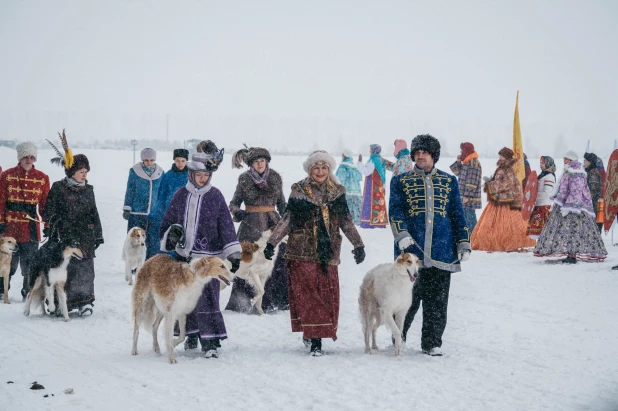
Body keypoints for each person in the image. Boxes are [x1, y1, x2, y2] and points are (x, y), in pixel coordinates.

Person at [266, 150, 365, 356]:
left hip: (328, 251)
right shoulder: (299, 190)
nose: (320, 171)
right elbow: (287, 220)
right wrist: (271, 243)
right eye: (316, 168)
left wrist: (358, 244)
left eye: (324, 167)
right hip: (301, 250)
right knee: (309, 296)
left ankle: (314, 332)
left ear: (329, 169)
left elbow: (346, 221)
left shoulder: (337, 192)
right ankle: (315, 339)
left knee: (326, 295)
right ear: (310, 169)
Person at [389, 134, 470, 356]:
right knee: (406, 300)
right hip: (411, 254)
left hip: (442, 252)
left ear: (433, 155)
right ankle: (398, 337)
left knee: (437, 302)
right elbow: (395, 211)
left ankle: (432, 342)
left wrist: (463, 243)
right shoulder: (400, 181)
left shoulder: (448, 181)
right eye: (417, 152)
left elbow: (457, 214)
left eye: (425, 152)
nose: (420, 156)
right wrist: (401, 234)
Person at [159, 142, 241, 358]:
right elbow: (167, 222)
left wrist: (233, 251)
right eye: (199, 174)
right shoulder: (180, 195)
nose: (203, 178)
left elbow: (225, 225)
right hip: (185, 258)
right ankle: (190, 334)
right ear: (191, 173)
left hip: (209, 260)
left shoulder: (216, 196)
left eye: (206, 175)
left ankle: (210, 341)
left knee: (208, 298)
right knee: (185, 299)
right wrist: (171, 235)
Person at [225, 145, 289, 314]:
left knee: (275, 262)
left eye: (263, 161)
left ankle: (273, 302)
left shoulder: (275, 178)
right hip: (250, 226)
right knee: (248, 262)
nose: (260, 164)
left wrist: (289, 223)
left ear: (267, 162)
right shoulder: (244, 179)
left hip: (272, 225)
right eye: (256, 161)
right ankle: (244, 302)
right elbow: (233, 203)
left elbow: (282, 205)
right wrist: (238, 212)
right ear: (251, 164)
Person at [44, 134, 103, 316]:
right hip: (64, 236)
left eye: (86, 172)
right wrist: (55, 223)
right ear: (71, 172)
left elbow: (94, 212)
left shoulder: (89, 190)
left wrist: (98, 234)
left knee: (85, 270)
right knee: (65, 270)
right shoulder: (58, 188)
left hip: (85, 236)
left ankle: (85, 302)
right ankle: (63, 303)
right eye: (81, 172)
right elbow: (48, 210)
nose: (84, 175)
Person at [534, 150, 607, 263]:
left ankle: (572, 255)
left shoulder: (576, 172)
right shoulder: (568, 171)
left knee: (573, 230)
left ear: (571, 160)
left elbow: (576, 191)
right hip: (565, 205)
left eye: (566, 159)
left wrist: (569, 206)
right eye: (564, 159)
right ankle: (570, 253)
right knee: (567, 231)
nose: (564, 160)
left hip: (574, 207)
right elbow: (563, 188)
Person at [0, 141, 50, 301]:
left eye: (31, 157)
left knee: (30, 263)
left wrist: (47, 224)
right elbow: (0, 201)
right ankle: (2, 289)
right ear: (20, 158)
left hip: (30, 226)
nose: (28, 160)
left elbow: (44, 205)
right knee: (9, 262)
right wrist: (0, 221)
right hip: (10, 225)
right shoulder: (6, 175)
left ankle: (27, 291)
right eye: (25, 157)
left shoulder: (42, 178)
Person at [471, 147, 536, 251]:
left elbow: (508, 184)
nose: (499, 157)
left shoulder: (508, 169)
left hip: (506, 201)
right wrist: (491, 181)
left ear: (506, 157)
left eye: (501, 156)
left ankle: (506, 242)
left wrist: (491, 184)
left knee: (507, 226)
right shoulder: (504, 167)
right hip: (499, 200)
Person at [145, 148, 189, 259]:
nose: (180, 164)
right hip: (166, 210)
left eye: (183, 161)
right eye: (178, 160)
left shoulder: (190, 176)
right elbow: (161, 195)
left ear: (186, 161)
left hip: (184, 212)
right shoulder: (168, 176)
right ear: (174, 160)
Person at [122, 148, 164, 232]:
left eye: (152, 160)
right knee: (135, 240)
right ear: (142, 160)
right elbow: (130, 190)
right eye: (146, 160)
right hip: (136, 213)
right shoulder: (135, 171)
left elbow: (162, 193)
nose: (149, 163)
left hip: (153, 213)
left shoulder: (160, 172)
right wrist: (127, 208)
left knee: (152, 240)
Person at [449, 142, 482, 232]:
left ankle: (474, 237)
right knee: (465, 218)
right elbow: (458, 173)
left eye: (462, 150)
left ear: (466, 151)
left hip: (469, 197)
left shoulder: (473, 163)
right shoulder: (467, 162)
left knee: (470, 219)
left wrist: (468, 196)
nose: (460, 152)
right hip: (464, 196)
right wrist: (458, 162)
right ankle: (469, 236)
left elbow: (472, 181)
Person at [357, 144, 389, 228]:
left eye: (370, 149)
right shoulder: (381, 160)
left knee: (369, 202)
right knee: (378, 202)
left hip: (371, 185)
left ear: (373, 150)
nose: (369, 151)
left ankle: (368, 222)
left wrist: (360, 163)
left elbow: (366, 171)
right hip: (379, 185)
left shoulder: (373, 160)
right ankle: (379, 222)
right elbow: (384, 173)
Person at [526, 156, 557, 239]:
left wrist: (534, 196)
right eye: (540, 163)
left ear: (548, 164)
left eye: (543, 163)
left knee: (543, 232)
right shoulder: (543, 174)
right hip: (538, 205)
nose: (541, 165)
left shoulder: (549, 176)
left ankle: (543, 248)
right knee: (538, 232)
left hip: (544, 206)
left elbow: (547, 193)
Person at [335, 149, 363, 225]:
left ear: (344, 155)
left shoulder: (343, 167)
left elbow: (339, 180)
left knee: (347, 208)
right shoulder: (354, 167)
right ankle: (357, 222)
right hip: (357, 192)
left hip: (347, 191)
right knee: (356, 208)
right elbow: (360, 177)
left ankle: (347, 223)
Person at [583, 152, 603, 233]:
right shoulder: (589, 172)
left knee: (593, 230)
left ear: (591, 162)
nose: (584, 161)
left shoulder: (593, 174)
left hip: (592, 206)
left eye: (586, 160)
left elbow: (592, 192)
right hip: (590, 206)